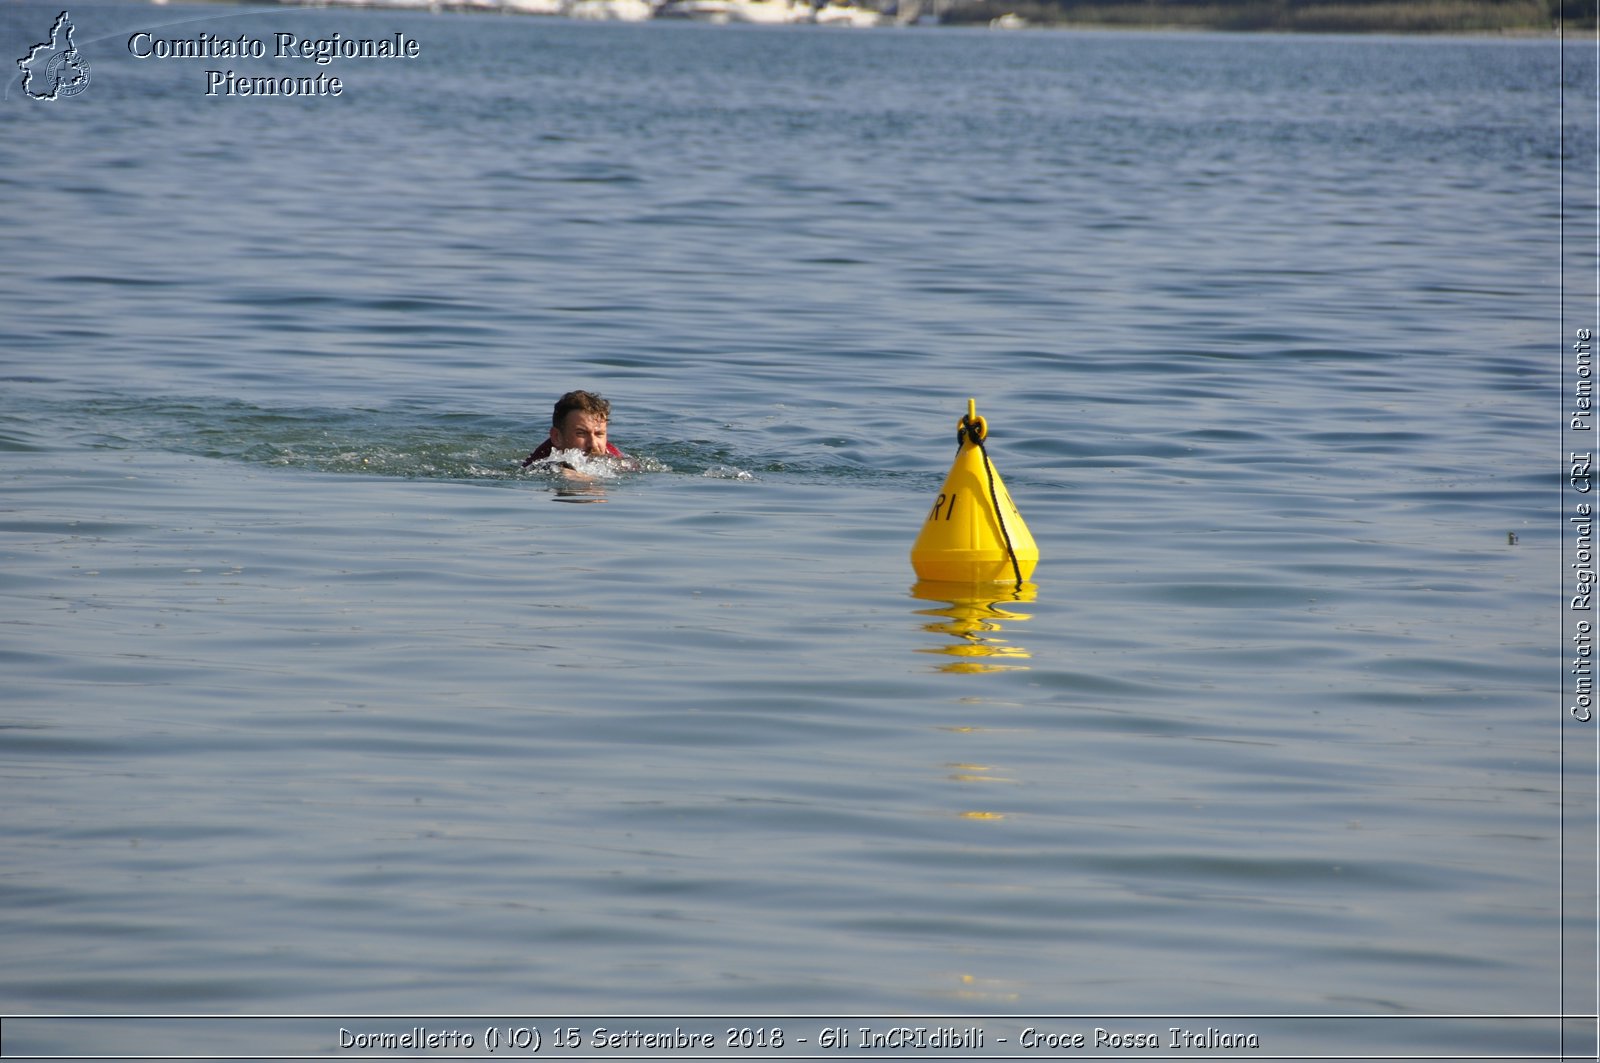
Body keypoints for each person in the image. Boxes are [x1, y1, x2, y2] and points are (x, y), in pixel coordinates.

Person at [521, 389, 628, 469]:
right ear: (557, 437)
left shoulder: (617, 460)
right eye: (581, 433)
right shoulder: (538, 462)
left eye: (599, 434)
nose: (593, 444)